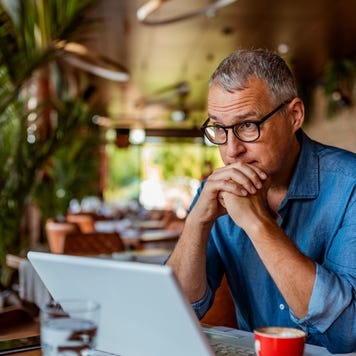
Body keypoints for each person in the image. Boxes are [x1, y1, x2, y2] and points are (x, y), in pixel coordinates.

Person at [166, 49, 356, 353]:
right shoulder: (215, 194)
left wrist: (257, 224)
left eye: (246, 125)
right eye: (219, 128)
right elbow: (175, 313)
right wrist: (196, 223)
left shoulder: (350, 186)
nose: (231, 150)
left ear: (294, 116)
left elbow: (349, 331)